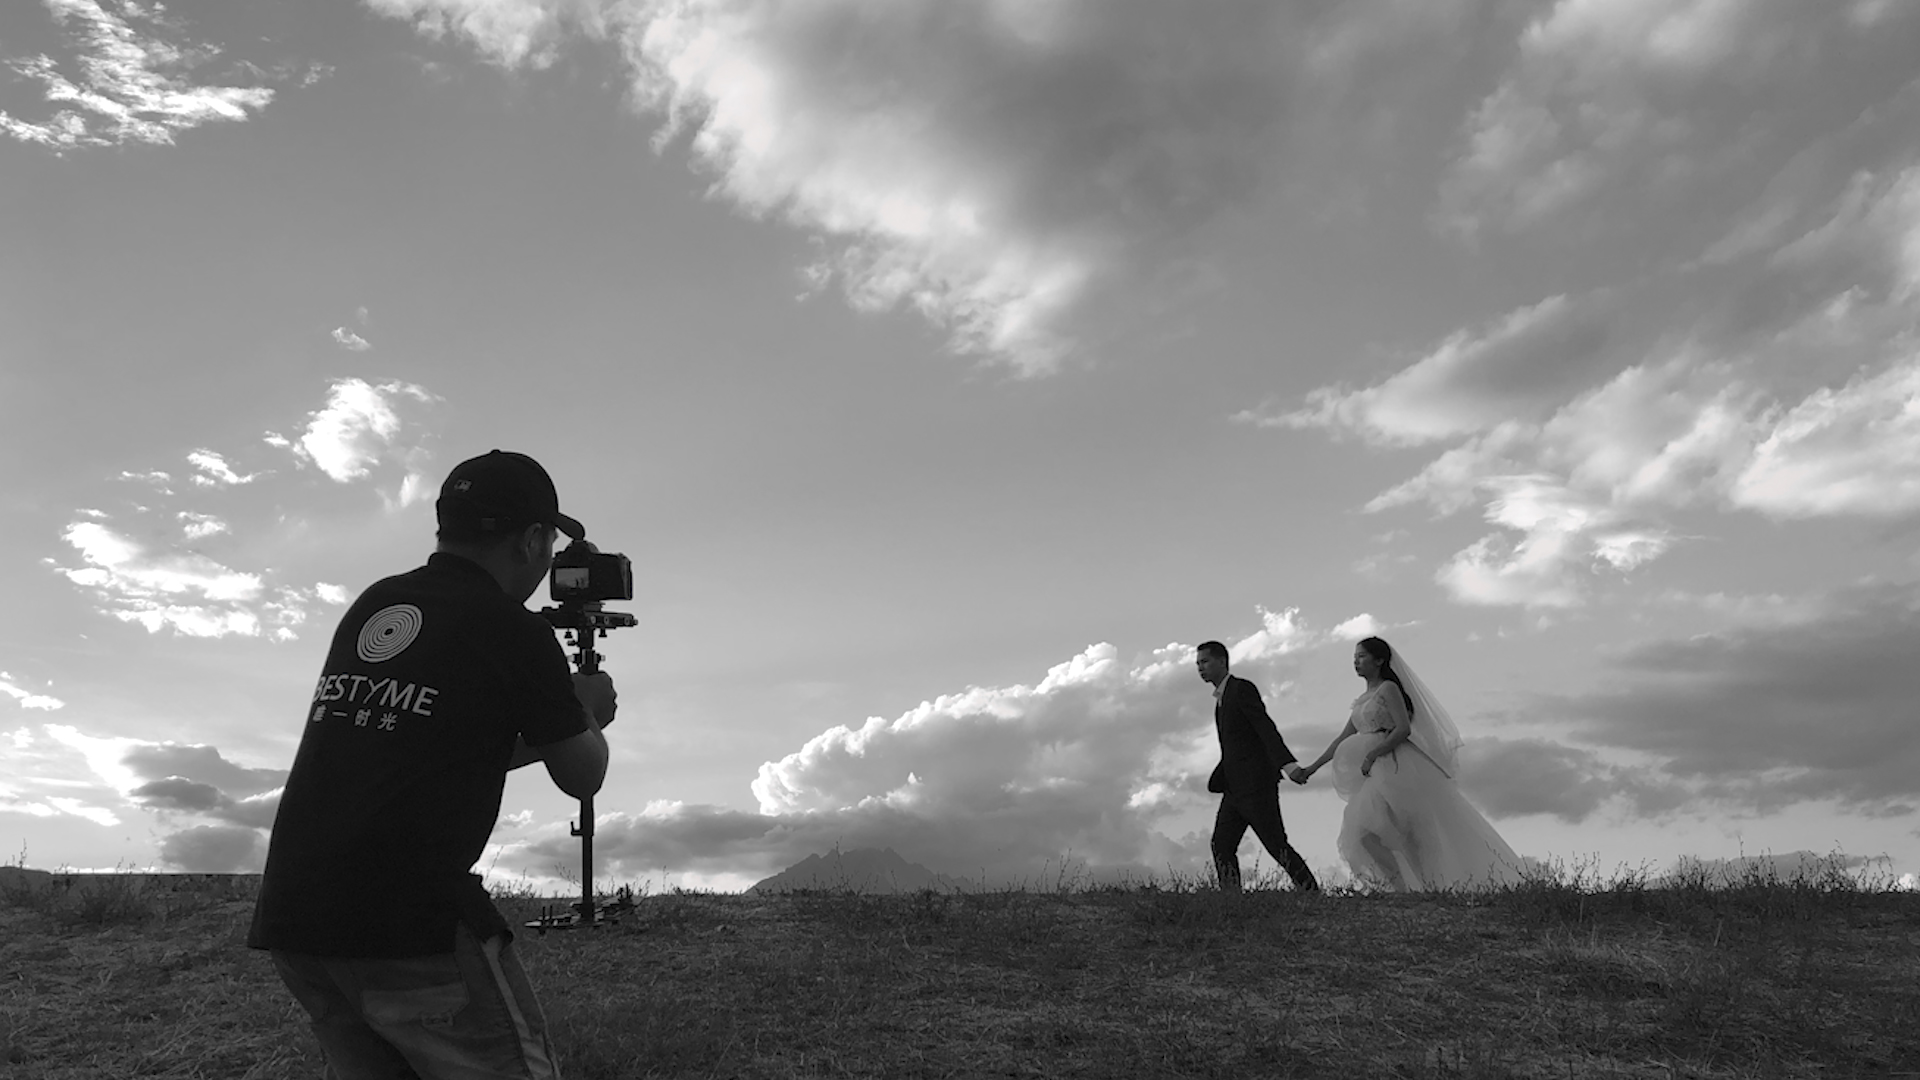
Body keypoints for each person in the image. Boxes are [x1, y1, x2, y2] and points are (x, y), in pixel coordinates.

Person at [248, 449, 618, 1079]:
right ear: (531, 539)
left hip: (296, 914)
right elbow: (583, 776)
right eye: (550, 546)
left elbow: (426, 751)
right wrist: (586, 714)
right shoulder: (512, 629)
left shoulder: (378, 603)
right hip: (408, 922)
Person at [1294, 636, 1519, 891]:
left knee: (1408, 832)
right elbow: (1342, 739)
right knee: (1363, 832)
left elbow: (1402, 729)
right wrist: (1311, 768)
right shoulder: (1363, 699)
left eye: (1362, 656)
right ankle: (1402, 888)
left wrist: (1373, 754)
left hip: (1395, 765)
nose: (1356, 662)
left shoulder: (1388, 689)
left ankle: (1427, 886)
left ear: (1379, 660)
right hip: (1373, 772)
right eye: (1355, 657)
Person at [1196, 640, 1320, 893]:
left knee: (1275, 844)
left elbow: (1265, 727)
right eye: (1198, 664)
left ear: (1222, 661)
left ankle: (1310, 890)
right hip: (1234, 788)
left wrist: (1288, 765)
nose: (1200, 668)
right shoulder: (1221, 699)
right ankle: (1231, 899)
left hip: (1255, 785)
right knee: (1221, 844)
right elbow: (1235, 745)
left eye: (1205, 662)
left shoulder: (1241, 689)